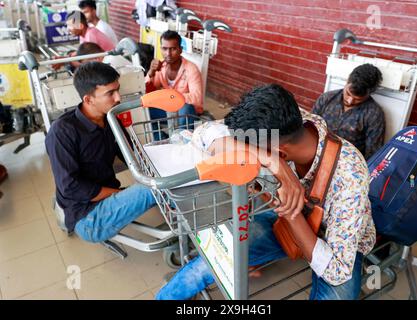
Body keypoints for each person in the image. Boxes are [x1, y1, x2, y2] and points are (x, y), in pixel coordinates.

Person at [156, 84, 376, 300]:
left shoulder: (350, 174)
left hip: (338, 239)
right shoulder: (282, 122)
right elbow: (205, 133)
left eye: (261, 153)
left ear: (282, 151)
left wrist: (291, 213)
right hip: (282, 216)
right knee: (212, 259)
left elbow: (336, 270)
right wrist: (273, 162)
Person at [45, 62, 157, 242]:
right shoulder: (62, 132)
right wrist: (119, 192)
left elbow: (132, 155)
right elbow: (70, 187)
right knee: (153, 188)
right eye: (110, 93)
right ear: (88, 100)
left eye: (117, 90)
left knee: (159, 176)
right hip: (86, 215)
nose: (119, 98)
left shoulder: (110, 119)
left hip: (107, 195)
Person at [312, 63, 385, 160]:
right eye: (348, 93)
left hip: (348, 164)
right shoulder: (327, 98)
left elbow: (372, 154)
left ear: (369, 94)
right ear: (347, 81)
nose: (350, 101)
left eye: (358, 99)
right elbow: (310, 126)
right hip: (315, 153)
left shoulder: (374, 114)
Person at [145, 30, 202, 128]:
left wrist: (171, 97)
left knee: (186, 108)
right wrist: (151, 72)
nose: (168, 53)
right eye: (164, 49)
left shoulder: (191, 69)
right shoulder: (161, 67)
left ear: (180, 49)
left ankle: (181, 139)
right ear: (161, 49)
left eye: (173, 49)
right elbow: (148, 93)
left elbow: (196, 98)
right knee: (144, 112)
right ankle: (161, 139)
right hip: (168, 108)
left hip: (185, 110)